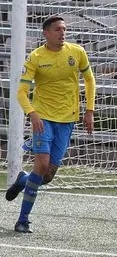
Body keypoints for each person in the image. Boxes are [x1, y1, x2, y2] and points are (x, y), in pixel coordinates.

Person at [6, 15, 96, 233]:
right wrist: (33, 114)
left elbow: (90, 80)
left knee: (46, 176)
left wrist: (90, 110)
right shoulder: (36, 57)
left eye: (64, 29)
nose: (62, 33)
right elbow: (20, 92)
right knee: (42, 165)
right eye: (57, 29)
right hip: (43, 119)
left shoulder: (77, 52)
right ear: (46, 33)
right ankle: (22, 220)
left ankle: (22, 181)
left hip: (67, 120)